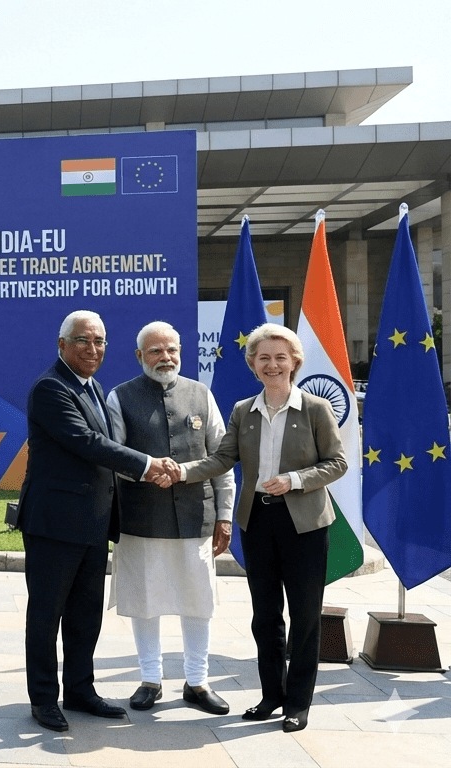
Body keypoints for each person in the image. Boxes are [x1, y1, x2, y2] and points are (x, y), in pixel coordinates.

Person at [173, 322, 346, 733]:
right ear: (253, 364)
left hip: (304, 524)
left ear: (295, 362)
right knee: (265, 615)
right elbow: (221, 459)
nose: (272, 364)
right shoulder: (241, 411)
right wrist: (180, 472)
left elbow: (337, 463)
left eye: (280, 357)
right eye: (263, 357)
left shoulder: (316, 409)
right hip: (259, 522)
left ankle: (298, 704)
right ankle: (273, 695)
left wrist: (294, 480)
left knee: (305, 616)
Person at [17, 309, 176, 733]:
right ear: (62, 345)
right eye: (85, 341)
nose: (94, 349)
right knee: (47, 615)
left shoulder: (91, 386)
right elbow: (87, 443)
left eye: (100, 341)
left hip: (91, 523)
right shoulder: (51, 388)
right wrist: (146, 464)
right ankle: (44, 700)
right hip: (54, 524)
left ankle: (80, 691)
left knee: (86, 614)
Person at [105, 321, 234, 716]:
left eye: (171, 350)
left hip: (197, 517)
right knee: (146, 601)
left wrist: (225, 515)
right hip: (141, 519)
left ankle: (197, 682)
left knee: (199, 602)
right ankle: (150, 679)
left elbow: (222, 459)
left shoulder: (201, 394)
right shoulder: (120, 397)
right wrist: (148, 470)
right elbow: (113, 455)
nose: (166, 358)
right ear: (139, 355)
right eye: (156, 351)